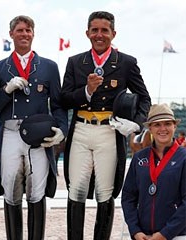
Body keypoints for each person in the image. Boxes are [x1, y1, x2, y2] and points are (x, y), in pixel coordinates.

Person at [60, 11, 151, 239]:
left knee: (105, 192)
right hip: (81, 128)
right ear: (87, 33)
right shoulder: (75, 62)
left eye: (104, 30)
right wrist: (87, 91)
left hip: (109, 131)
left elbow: (144, 97)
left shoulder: (126, 63)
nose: (99, 35)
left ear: (113, 33)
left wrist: (136, 124)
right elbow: (64, 99)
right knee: (77, 190)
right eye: (95, 30)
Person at [0, 15, 68, 239]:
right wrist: (6, 90)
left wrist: (62, 129)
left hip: (38, 137)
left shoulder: (49, 67)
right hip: (11, 133)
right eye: (20, 30)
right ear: (11, 33)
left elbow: (58, 103)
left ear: (33, 34)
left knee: (36, 192)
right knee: (11, 190)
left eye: (28, 30)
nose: (24, 34)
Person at [122, 103, 186, 240]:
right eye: (157, 125)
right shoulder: (139, 157)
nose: (163, 129)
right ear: (150, 128)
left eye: (167, 124)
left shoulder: (184, 158)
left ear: (174, 126)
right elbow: (128, 197)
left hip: (177, 235)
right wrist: (135, 230)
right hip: (143, 236)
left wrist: (165, 234)